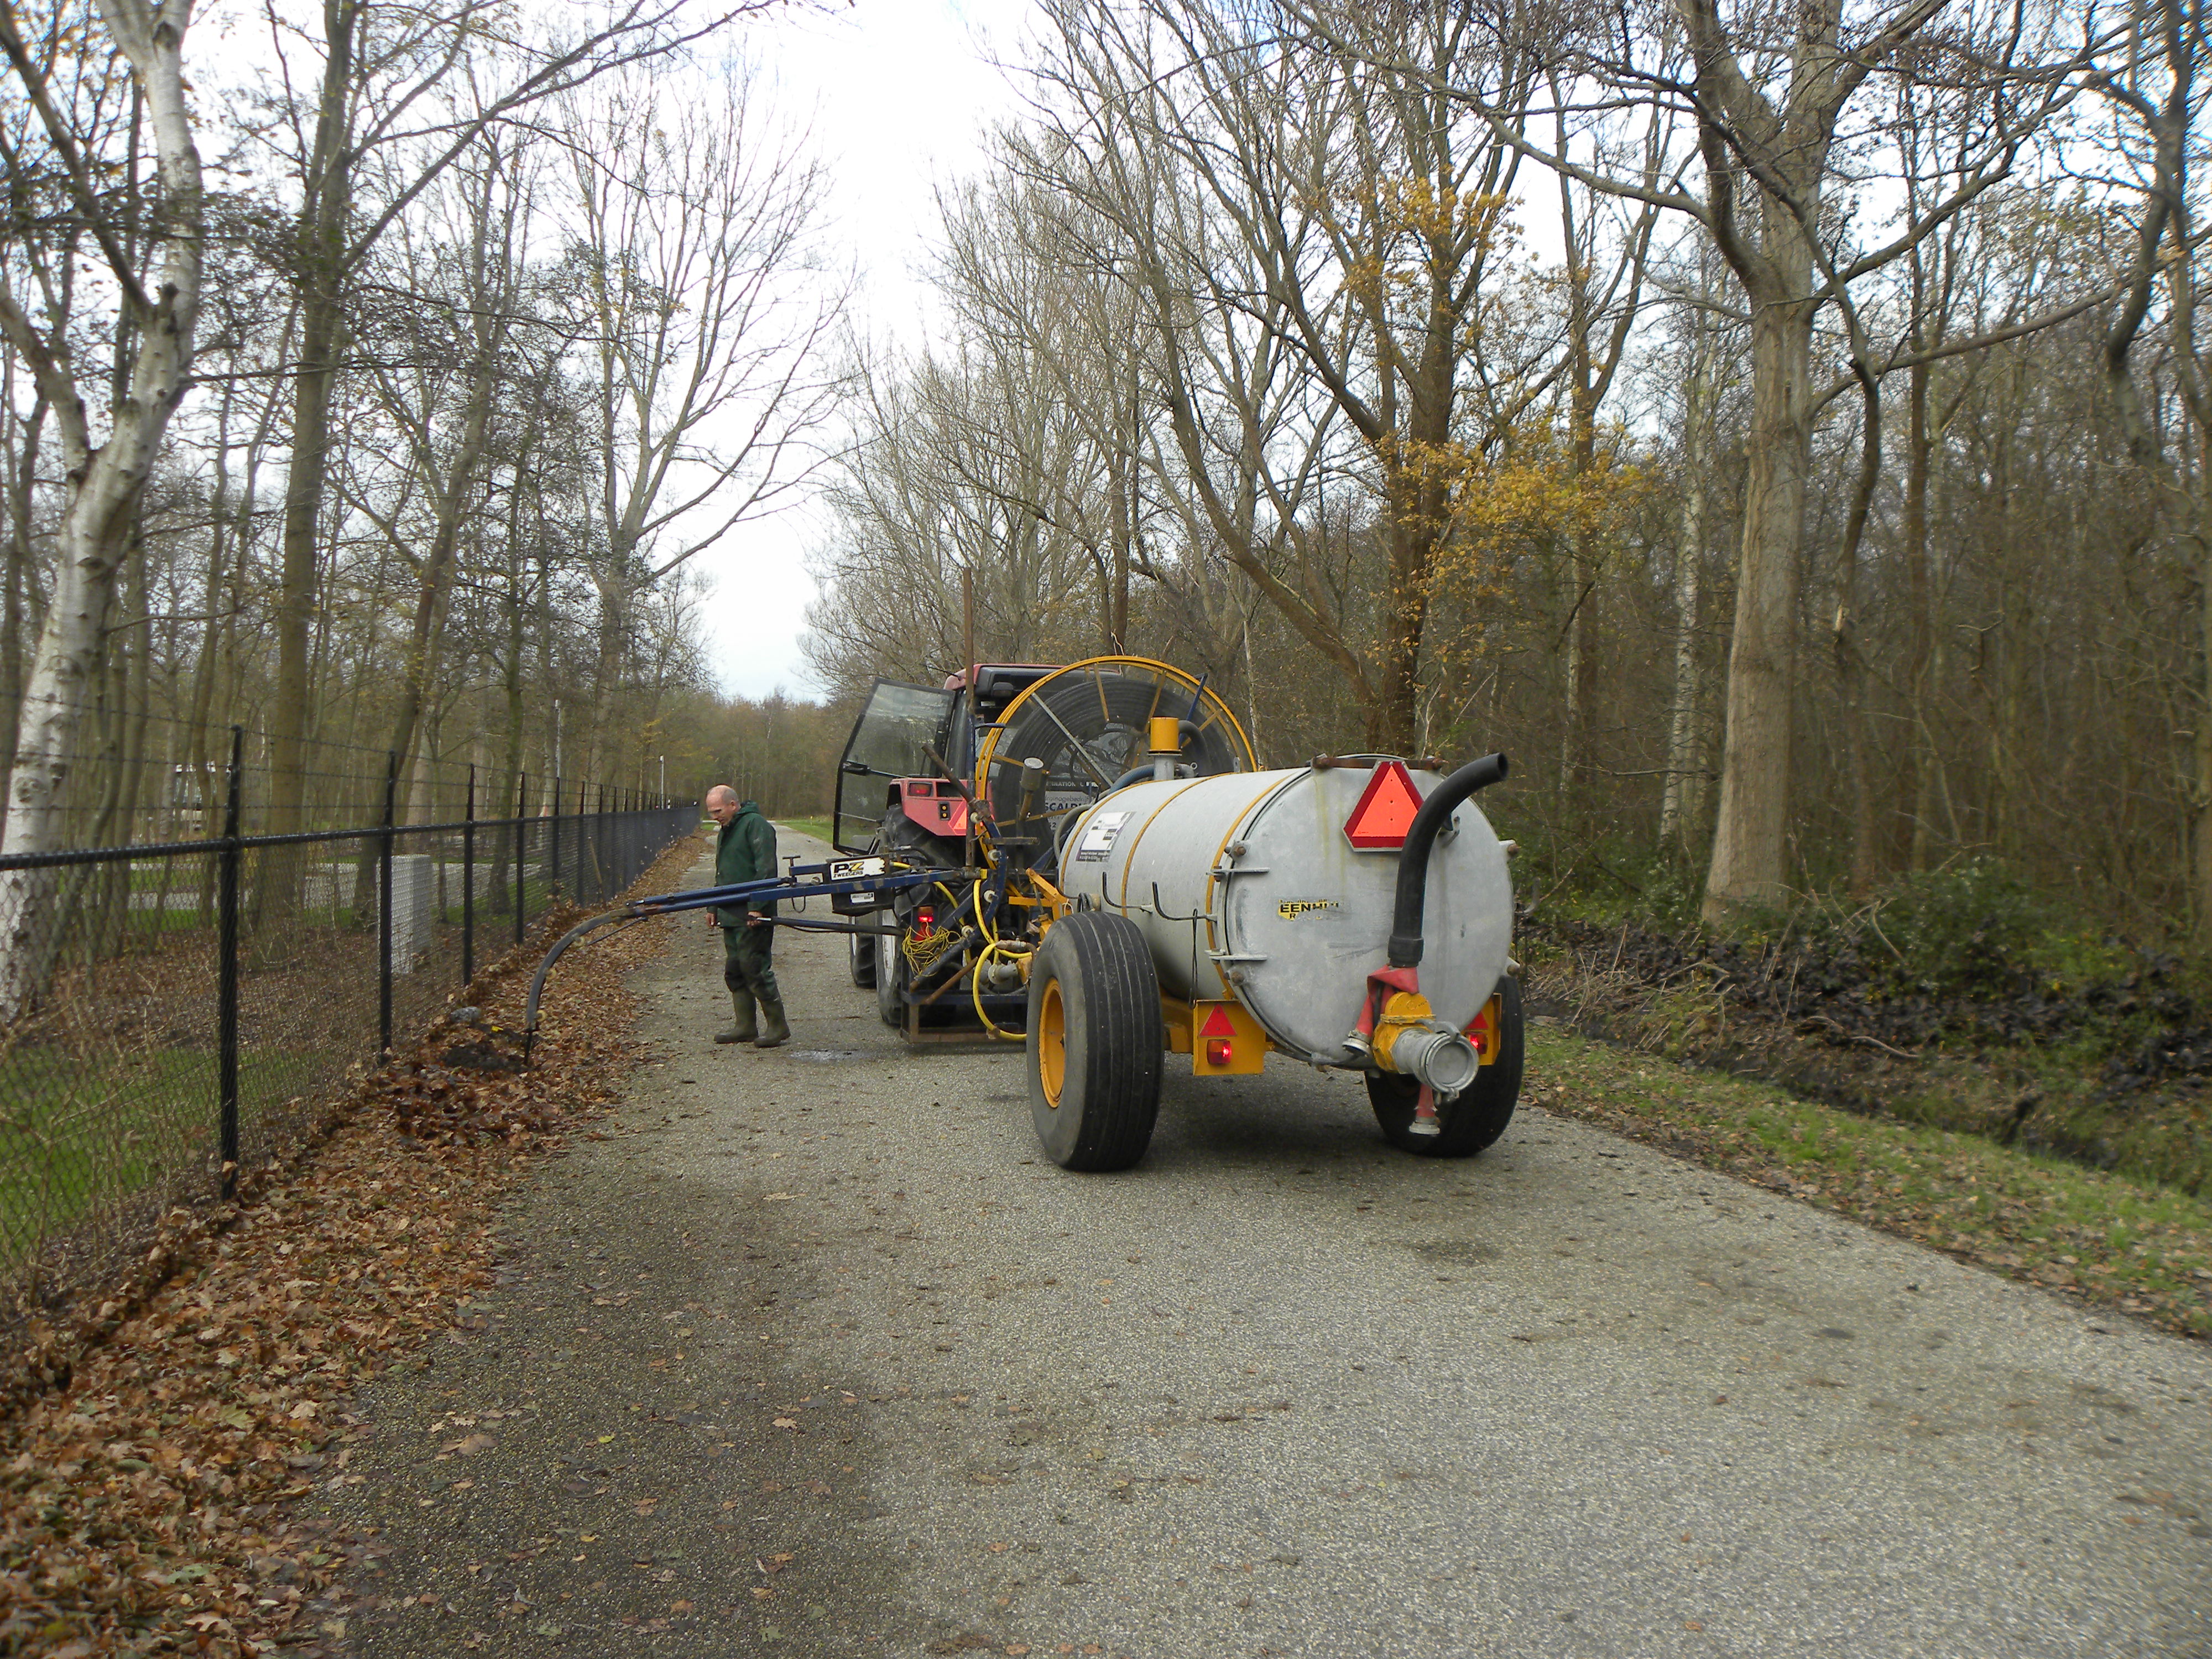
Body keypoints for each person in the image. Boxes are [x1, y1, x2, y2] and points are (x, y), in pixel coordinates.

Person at [703, 785, 788, 1048]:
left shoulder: (756, 825)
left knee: (755, 968)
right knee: (735, 970)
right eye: (711, 813)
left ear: (733, 805)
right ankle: (745, 1026)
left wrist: (758, 906)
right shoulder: (726, 831)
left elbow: (766, 869)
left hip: (753, 914)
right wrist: (714, 907)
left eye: (718, 811)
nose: (715, 817)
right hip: (731, 913)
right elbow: (723, 872)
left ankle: (777, 1027)